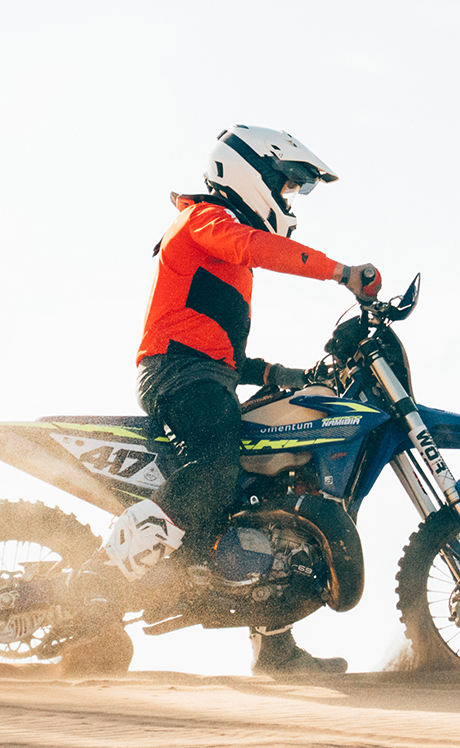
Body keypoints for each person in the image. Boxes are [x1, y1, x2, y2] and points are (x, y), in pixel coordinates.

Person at [134, 125, 380, 677]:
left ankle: (275, 650)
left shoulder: (223, 253)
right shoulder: (205, 221)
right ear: (251, 171)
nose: (289, 198)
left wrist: (275, 372)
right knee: (216, 463)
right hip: (177, 378)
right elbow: (252, 248)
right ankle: (108, 570)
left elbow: (214, 344)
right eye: (287, 185)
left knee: (269, 487)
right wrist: (340, 272)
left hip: (204, 375)